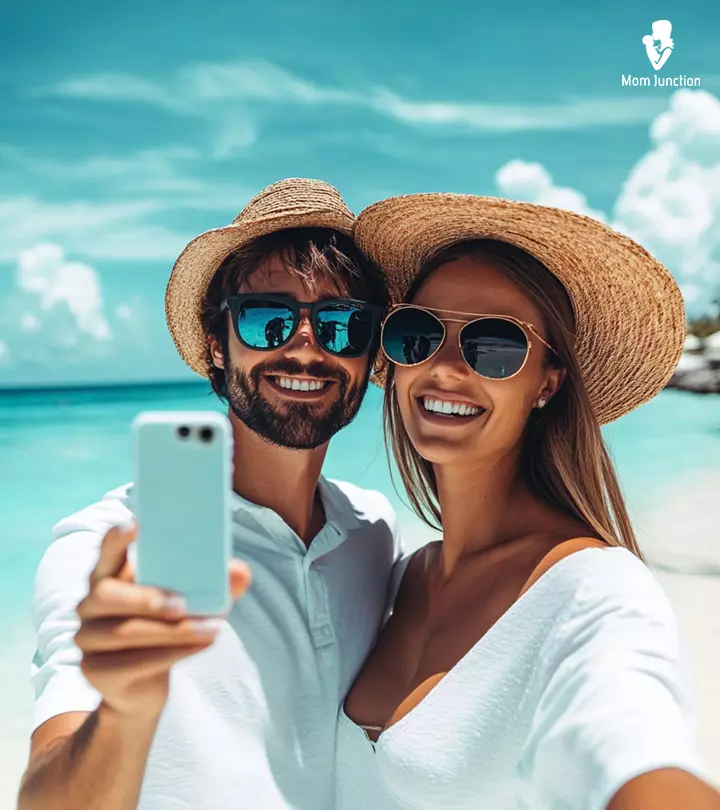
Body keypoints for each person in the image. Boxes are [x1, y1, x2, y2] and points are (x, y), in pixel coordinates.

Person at [18, 178, 404, 810]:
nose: (304, 347)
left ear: (370, 358)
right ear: (216, 345)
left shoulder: (373, 532)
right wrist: (124, 710)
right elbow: (46, 796)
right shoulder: (108, 547)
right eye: (265, 318)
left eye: (342, 325)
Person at [335, 194, 719, 809]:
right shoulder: (402, 575)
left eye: (495, 345)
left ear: (548, 379)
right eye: (418, 333)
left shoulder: (596, 590)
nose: (445, 369)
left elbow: (631, 743)